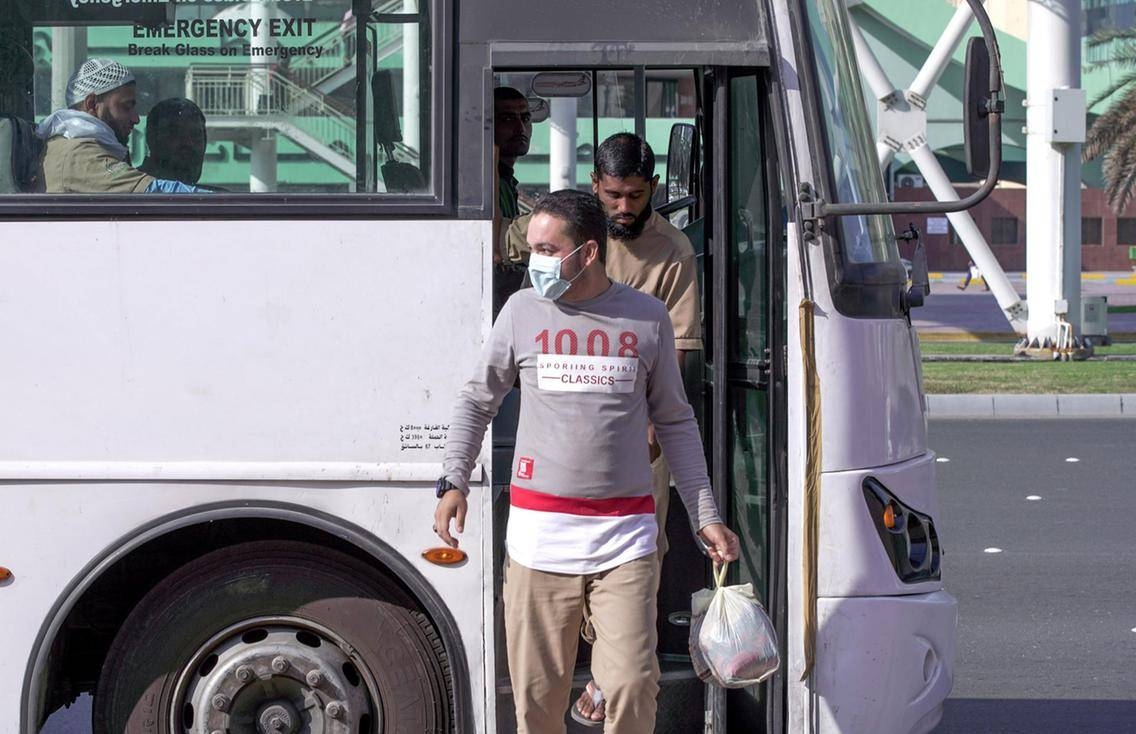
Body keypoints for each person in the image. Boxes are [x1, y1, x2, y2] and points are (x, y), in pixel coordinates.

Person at [433, 189, 739, 734]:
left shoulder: (646, 319)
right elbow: (478, 399)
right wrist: (454, 477)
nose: (536, 262)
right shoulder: (521, 312)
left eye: (549, 249)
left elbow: (675, 420)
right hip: (538, 545)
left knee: (629, 685)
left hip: (624, 542)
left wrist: (705, 514)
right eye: (532, 248)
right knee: (537, 702)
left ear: (588, 253)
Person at [505, 133, 702, 724]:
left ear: (653, 192)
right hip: (558, 457)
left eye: (636, 196)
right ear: (596, 187)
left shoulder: (673, 252)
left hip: (637, 437)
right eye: (614, 195)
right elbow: (483, 387)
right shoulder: (559, 243)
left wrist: (652, 430)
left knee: (643, 559)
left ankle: (610, 674)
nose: (624, 207)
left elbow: (678, 359)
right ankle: (585, 665)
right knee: (539, 668)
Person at [37, 59, 206, 194]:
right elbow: (156, 191)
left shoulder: (85, 146)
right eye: (126, 107)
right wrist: (227, 203)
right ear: (92, 103)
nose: (135, 118)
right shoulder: (79, 154)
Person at [493, 86, 534, 318]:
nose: (520, 128)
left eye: (525, 118)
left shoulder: (505, 181)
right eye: (507, 118)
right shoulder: (485, 184)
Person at [139, 98, 207, 185]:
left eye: (196, 134)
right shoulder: (132, 191)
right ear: (152, 139)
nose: (188, 143)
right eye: (176, 133)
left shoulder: (212, 196)